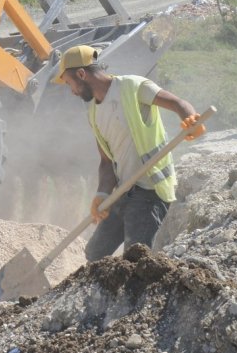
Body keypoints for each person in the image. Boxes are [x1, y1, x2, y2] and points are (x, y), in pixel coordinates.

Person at [57, 45, 199, 260]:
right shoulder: (93, 112)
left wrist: (191, 119)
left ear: (81, 74)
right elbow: (106, 161)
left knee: (135, 258)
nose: (72, 91)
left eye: (70, 83)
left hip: (150, 191)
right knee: (94, 254)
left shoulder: (132, 86)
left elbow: (178, 103)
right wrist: (102, 194)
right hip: (124, 190)